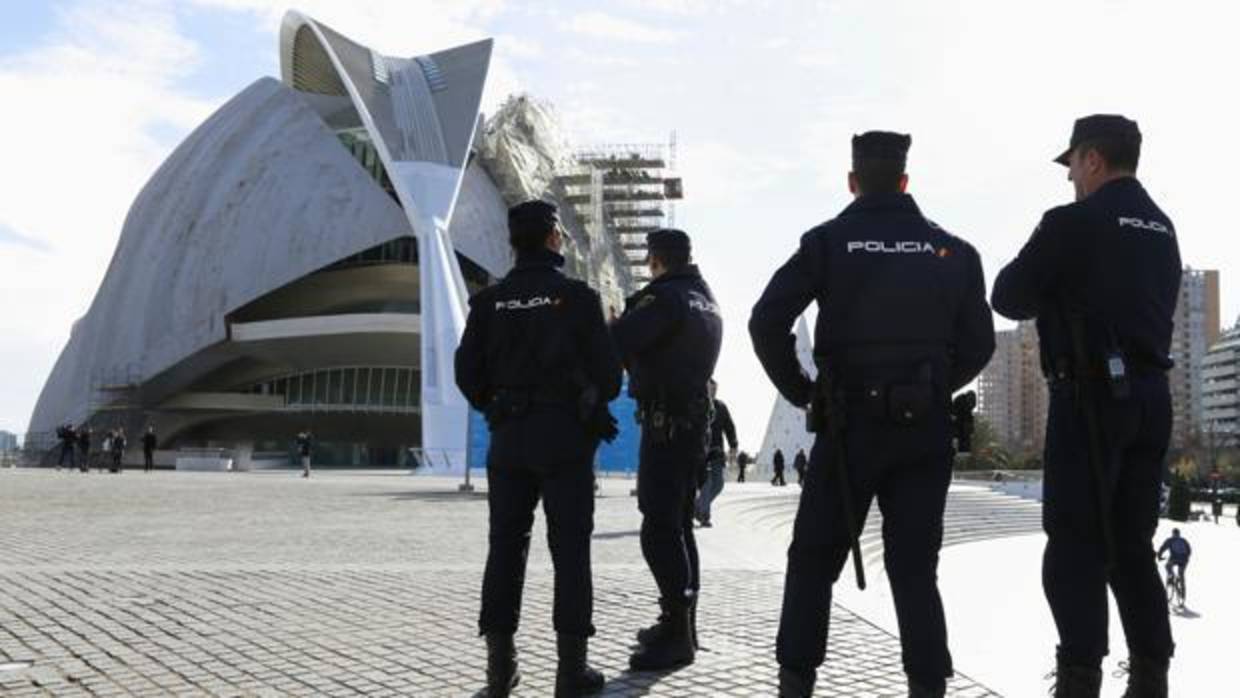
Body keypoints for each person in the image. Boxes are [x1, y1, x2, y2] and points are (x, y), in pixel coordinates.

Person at [750, 131, 995, 697]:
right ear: (905, 181)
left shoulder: (828, 242)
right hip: (924, 435)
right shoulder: (954, 252)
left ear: (853, 182)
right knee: (914, 572)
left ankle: (796, 686)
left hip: (848, 428)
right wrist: (930, 389)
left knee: (812, 561)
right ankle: (928, 689)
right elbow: (980, 346)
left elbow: (766, 321)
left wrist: (802, 390)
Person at [992, 115, 1179, 697]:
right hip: (1152, 400)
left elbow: (1007, 295)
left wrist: (1055, 285)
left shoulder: (1072, 223)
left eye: (1071, 164)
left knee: (1074, 542)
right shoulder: (1163, 227)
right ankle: (1152, 675)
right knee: (1132, 545)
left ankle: (1079, 679)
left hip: (1092, 399)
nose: (1069, 176)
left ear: (1092, 159)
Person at [455, 200, 622, 697]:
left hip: (509, 439)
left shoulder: (490, 302)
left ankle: (498, 677)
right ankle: (571, 673)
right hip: (565, 439)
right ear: (553, 238)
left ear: (513, 242)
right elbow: (611, 377)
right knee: (570, 553)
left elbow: (466, 372)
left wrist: (498, 403)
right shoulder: (578, 298)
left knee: (505, 550)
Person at [611, 227, 722, 671]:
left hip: (667, 427)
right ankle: (683, 624)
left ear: (655, 259)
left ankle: (677, 634)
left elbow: (617, 341)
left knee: (659, 528)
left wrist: (615, 322)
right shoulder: (705, 297)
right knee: (680, 526)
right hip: (693, 425)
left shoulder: (666, 297)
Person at [695, 380, 738, 528]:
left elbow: (729, 427)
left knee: (718, 484)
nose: (713, 392)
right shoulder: (697, 403)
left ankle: (697, 506)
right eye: (710, 390)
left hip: (716, 451)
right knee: (706, 483)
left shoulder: (721, 407)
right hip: (700, 450)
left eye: (715, 390)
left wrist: (733, 445)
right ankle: (704, 515)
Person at [1156, 528, 1191, 601]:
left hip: (1174, 559)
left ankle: (1171, 576)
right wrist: (1186, 558)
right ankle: (1182, 596)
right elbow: (1189, 550)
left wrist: (1159, 556)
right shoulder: (1184, 540)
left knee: (1167, 566)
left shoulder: (1170, 540)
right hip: (1184, 560)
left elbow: (1163, 548)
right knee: (1181, 575)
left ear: (1173, 533)